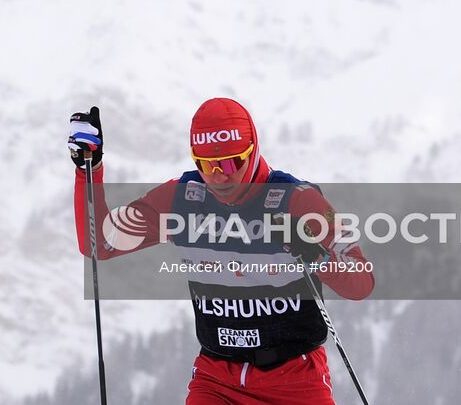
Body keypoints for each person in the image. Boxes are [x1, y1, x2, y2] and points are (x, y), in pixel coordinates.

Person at [68, 97, 374, 405]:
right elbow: (100, 243)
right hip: (217, 380)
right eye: (205, 165)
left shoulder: (298, 201)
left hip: (294, 381)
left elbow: (362, 283)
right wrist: (88, 171)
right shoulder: (182, 201)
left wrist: (314, 253)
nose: (219, 176)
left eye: (231, 163)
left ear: (253, 151)